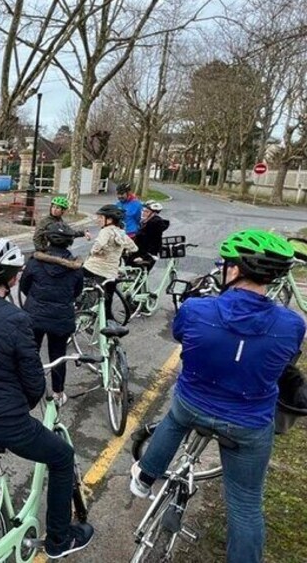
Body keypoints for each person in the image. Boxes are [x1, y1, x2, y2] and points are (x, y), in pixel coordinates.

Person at [130, 230, 305, 563]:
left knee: (175, 415)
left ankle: (144, 477)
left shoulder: (197, 308)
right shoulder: (291, 324)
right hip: (248, 423)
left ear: (235, 270)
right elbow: (285, 360)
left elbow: (181, 333)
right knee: (245, 505)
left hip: (194, 404)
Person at [0, 237, 95, 559]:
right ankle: (58, 542)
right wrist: (15, 408)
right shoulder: (17, 320)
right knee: (62, 457)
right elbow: (35, 384)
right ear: (13, 279)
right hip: (5, 422)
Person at [20, 223, 85, 406]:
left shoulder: (35, 262)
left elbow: (25, 286)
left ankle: (28, 388)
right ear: (69, 242)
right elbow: (76, 292)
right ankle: (58, 392)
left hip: (34, 314)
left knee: (30, 352)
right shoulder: (75, 267)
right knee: (58, 355)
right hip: (61, 316)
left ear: (47, 239)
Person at [82, 205, 137, 322]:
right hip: (111, 272)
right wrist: (122, 250)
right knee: (108, 298)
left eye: (100, 217)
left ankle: (82, 313)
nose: (98, 220)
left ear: (110, 220)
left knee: (79, 286)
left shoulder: (106, 231)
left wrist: (95, 251)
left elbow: (97, 246)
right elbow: (134, 248)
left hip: (94, 268)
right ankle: (107, 320)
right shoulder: (121, 232)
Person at [126, 200, 169, 271]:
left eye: (146, 212)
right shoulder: (145, 223)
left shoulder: (154, 225)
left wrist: (144, 257)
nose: (143, 213)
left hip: (145, 256)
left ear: (153, 214)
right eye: (143, 211)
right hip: (137, 253)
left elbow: (155, 244)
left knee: (136, 277)